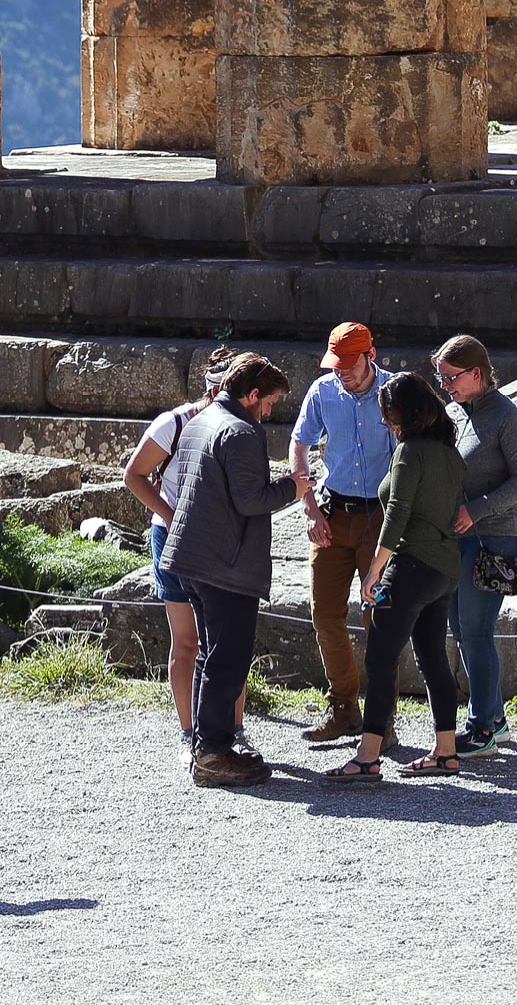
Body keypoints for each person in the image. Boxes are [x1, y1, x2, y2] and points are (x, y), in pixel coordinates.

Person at [157, 354, 300, 788]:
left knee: (210, 655)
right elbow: (251, 500)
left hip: (192, 557)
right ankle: (214, 754)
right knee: (228, 660)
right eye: (269, 402)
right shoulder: (240, 431)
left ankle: (206, 745)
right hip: (224, 564)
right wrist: (294, 485)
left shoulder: (205, 418)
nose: (270, 412)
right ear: (252, 394)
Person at [325, 373, 468, 784]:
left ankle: (368, 756)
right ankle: (446, 750)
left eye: (388, 415)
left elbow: (397, 512)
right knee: (432, 657)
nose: (385, 422)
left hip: (410, 566)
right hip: (443, 569)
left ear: (405, 413)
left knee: (381, 656)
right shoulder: (449, 453)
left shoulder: (409, 452)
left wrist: (375, 569)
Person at [121, 347, 246, 748]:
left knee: (227, 640)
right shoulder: (174, 423)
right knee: (187, 641)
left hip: (221, 539)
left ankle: (234, 730)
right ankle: (189, 732)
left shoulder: (243, 426)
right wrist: (173, 515)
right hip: (173, 536)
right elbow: (135, 475)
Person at [288, 321, 396, 743]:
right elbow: (298, 444)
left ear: (371, 355)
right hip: (333, 512)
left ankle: (382, 719)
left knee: (380, 618)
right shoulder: (322, 391)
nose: (342, 373)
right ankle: (344, 708)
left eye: (350, 365)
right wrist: (309, 507)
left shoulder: (394, 392)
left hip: (380, 519)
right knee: (325, 615)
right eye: (337, 365)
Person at [435, 335, 517, 756]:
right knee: (462, 631)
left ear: (478, 373)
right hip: (458, 538)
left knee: (475, 633)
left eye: (451, 378)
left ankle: (482, 727)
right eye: (440, 379)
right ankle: (493, 718)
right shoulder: (454, 413)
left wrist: (476, 510)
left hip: (493, 538)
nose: (446, 386)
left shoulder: (509, 419)